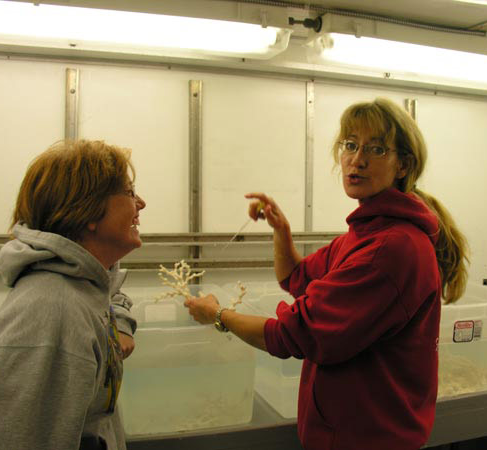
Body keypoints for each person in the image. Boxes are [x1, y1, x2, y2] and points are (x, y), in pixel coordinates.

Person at [185, 98, 469, 450]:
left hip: (368, 439)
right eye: (350, 145)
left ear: (403, 165)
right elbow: (297, 279)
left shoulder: (390, 249)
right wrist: (281, 230)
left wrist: (217, 314)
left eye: (376, 149)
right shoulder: (364, 234)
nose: (357, 159)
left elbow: (292, 334)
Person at [0, 140, 146, 450]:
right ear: (88, 209)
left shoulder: (82, 289)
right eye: (129, 193)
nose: (140, 203)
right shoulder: (51, 314)